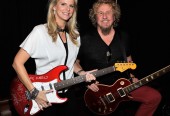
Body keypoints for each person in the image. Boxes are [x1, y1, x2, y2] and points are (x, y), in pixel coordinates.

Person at [74, 0, 162, 116]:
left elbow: (128, 59)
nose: (104, 16)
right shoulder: (84, 39)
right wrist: (83, 76)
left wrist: (132, 75)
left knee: (154, 97)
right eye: (100, 13)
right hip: (97, 92)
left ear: (114, 16)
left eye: (108, 12)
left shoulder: (124, 37)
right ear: (95, 17)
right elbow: (74, 62)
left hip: (123, 86)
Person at [12, 0, 95, 115]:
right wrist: (34, 92)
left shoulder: (75, 35)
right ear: (54, 7)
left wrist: (82, 73)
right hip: (44, 95)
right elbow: (17, 63)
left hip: (69, 94)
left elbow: (71, 62)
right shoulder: (40, 32)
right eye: (63, 4)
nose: (68, 9)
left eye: (71, 6)